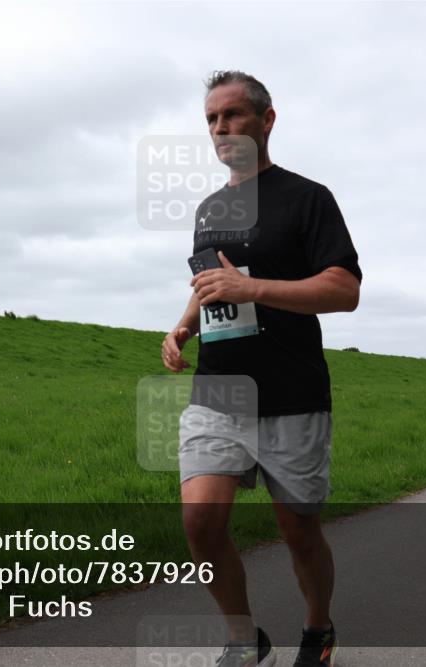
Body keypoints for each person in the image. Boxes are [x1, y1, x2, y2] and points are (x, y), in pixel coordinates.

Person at [160, 71, 361, 667]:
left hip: (291, 393)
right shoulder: (209, 209)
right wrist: (183, 325)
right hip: (218, 391)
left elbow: (343, 289)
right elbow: (211, 281)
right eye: (211, 120)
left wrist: (254, 288)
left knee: (299, 532)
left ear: (266, 119)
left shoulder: (308, 198)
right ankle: (245, 641)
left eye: (232, 115)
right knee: (201, 522)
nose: (220, 128)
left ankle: (318, 628)